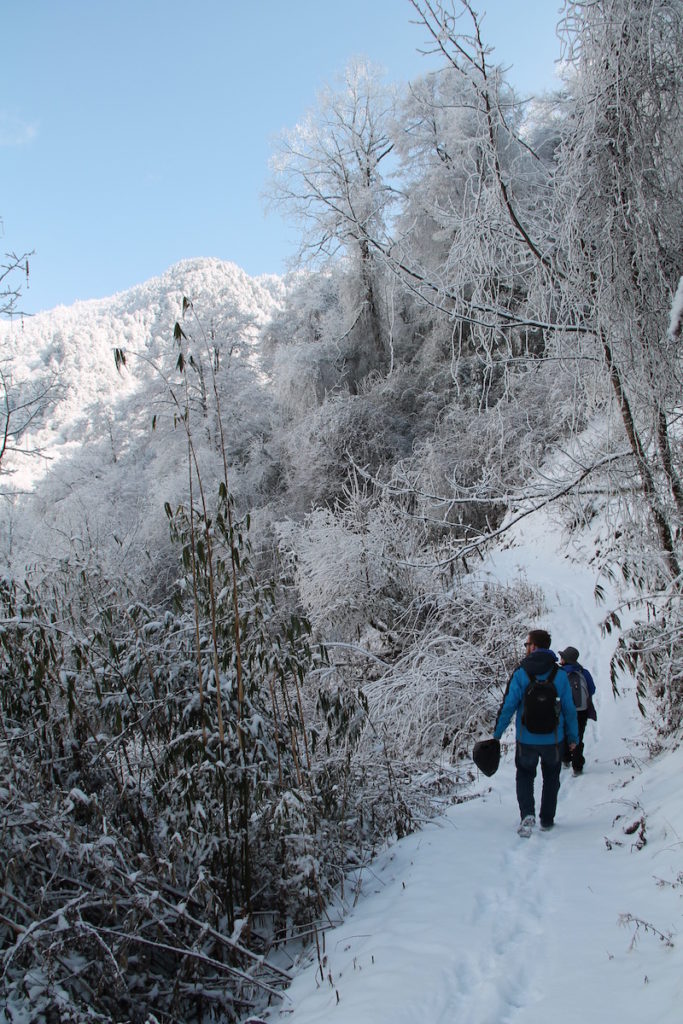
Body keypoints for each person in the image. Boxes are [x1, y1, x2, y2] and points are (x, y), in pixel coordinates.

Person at [492, 629, 579, 837]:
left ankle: (527, 815)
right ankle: (547, 819)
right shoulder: (559, 675)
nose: (525, 648)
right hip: (553, 739)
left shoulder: (521, 673)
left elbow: (509, 706)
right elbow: (569, 709)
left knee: (524, 775)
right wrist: (573, 738)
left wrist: (497, 734)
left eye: (527, 644)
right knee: (551, 777)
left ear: (535, 647)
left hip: (526, 739)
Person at [557, 645, 597, 776]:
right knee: (578, 737)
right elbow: (592, 689)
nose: (560, 658)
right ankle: (577, 766)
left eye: (562, 657)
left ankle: (565, 759)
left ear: (565, 659)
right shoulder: (583, 672)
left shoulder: (559, 673)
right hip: (581, 711)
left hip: (565, 711)